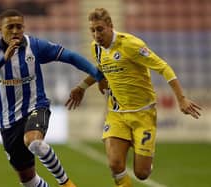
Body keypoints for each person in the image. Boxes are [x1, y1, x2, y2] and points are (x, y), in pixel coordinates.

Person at [65, 8, 202, 187]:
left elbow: (163, 67)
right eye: (92, 30)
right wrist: (82, 87)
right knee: (115, 164)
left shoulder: (131, 45)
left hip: (143, 114)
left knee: (142, 173)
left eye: (100, 29)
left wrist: (181, 98)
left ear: (111, 27)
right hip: (116, 113)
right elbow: (101, 70)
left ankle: (144, 157)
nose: (96, 34)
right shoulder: (96, 48)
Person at [0, 9, 104, 187]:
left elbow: (70, 56)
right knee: (28, 180)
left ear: (24, 28)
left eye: (19, 27)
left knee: (34, 142)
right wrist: (3, 59)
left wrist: (97, 75)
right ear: (0, 29)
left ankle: (66, 183)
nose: (15, 31)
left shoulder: (35, 46)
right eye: (10, 27)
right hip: (9, 122)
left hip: (36, 107)